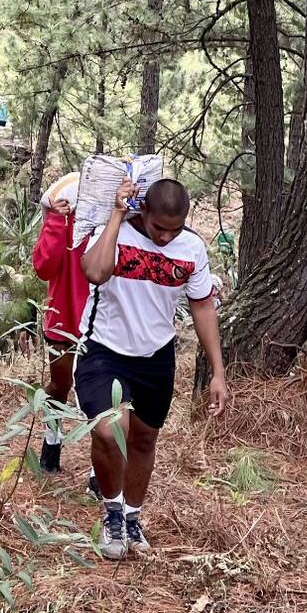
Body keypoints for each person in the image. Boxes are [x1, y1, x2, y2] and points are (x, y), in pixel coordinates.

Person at [77, 177, 228, 560]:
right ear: (143, 210)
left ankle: (131, 517)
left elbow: (202, 307)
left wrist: (217, 371)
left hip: (156, 356)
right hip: (104, 349)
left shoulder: (192, 248)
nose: (164, 237)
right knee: (112, 434)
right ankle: (111, 511)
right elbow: (94, 271)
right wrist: (116, 213)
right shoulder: (113, 232)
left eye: (173, 229)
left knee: (144, 440)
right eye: (159, 227)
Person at [32, 178, 92, 474]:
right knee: (59, 386)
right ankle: (51, 444)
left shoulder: (115, 226)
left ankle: (99, 471)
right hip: (63, 318)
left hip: (103, 325)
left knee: (102, 399)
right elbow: (43, 267)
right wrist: (55, 221)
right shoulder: (64, 220)